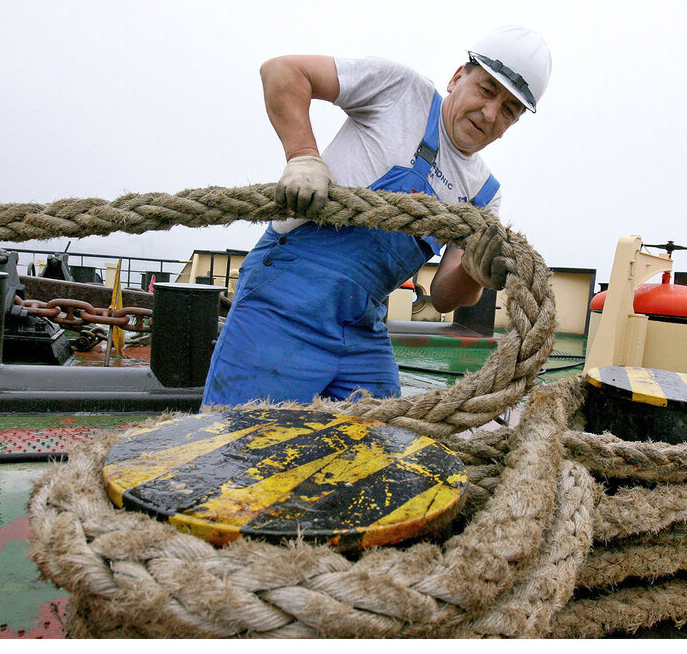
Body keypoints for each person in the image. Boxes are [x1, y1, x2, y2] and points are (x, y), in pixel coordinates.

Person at [202, 26, 552, 408]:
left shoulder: (484, 193)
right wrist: (303, 155)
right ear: (457, 78)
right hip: (286, 301)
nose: (489, 113)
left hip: (363, 324)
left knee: (381, 444)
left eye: (508, 110)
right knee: (238, 441)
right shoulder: (403, 92)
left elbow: (445, 298)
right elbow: (282, 71)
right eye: (486, 90)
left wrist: (476, 271)